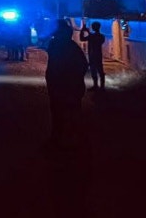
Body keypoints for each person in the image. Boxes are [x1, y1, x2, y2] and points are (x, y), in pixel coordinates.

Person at [44, 20, 88, 148]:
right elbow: (83, 66)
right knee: (70, 114)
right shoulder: (71, 47)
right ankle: (71, 141)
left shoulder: (56, 45)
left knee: (61, 114)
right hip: (68, 88)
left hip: (62, 88)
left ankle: (62, 140)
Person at [79, 21, 107, 90]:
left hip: (92, 55)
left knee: (93, 71)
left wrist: (82, 30)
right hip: (98, 55)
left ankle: (96, 85)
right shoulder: (101, 36)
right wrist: (88, 32)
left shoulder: (92, 36)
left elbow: (82, 39)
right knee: (100, 71)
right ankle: (102, 86)